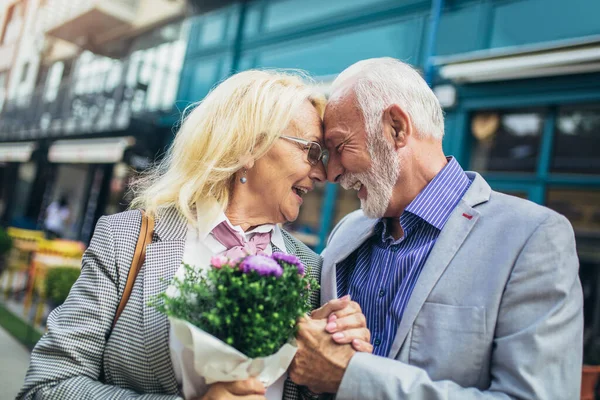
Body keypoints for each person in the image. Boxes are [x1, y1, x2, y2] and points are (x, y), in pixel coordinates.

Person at [18, 70, 371, 400]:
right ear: (249, 147)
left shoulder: (313, 271)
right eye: (311, 151)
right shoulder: (124, 238)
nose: (323, 173)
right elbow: (48, 384)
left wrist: (339, 362)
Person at [289, 57, 584, 399]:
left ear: (396, 127)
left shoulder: (532, 238)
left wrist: (352, 377)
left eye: (340, 148)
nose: (332, 173)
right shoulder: (346, 235)